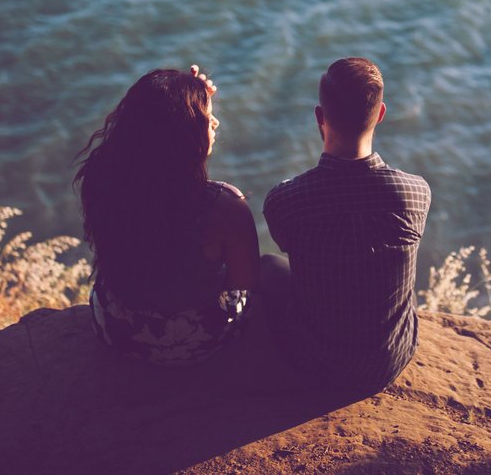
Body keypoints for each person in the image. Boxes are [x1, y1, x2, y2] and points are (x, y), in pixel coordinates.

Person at [262, 57, 431, 393]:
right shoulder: (416, 193)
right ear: (380, 114)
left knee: (267, 266)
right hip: (389, 361)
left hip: (315, 363)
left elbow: (288, 245)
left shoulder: (285, 200)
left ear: (319, 117)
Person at [74, 66, 259, 365]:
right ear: (185, 137)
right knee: (272, 271)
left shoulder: (101, 179)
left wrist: (187, 94)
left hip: (117, 327)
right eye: (206, 118)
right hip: (194, 341)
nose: (215, 123)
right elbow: (244, 279)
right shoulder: (223, 205)